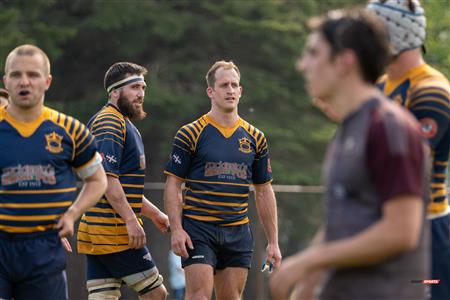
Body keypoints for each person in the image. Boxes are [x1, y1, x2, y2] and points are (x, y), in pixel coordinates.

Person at [270, 8, 430, 300]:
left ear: (345, 61)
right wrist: (305, 287)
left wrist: (309, 260)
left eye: (313, 53)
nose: (302, 64)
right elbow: (339, 224)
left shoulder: (390, 128)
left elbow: (402, 230)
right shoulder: (349, 129)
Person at [164, 60, 282, 300]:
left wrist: (273, 242)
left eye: (234, 85)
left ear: (241, 91)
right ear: (211, 91)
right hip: (198, 228)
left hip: (237, 231)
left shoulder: (256, 138)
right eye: (224, 85)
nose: (230, 90)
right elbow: (173, 184)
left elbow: (263, 191)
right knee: (198, 296)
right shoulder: (190, 133)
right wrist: (176, 229)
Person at [0, 44, 107, 300]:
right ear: (6, 80)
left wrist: (73, 213)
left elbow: (97, 180)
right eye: (16, 75)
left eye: (33, 75)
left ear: (47, 81)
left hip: (45, 249)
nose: (24, 81)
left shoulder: (70, 130)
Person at [367, 1, 450, 299]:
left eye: (372, 31)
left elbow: (405, 167)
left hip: (426, 231)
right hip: (385, 226)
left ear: (394, 35)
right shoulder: (380, 85)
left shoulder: (432, 89)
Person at [77, 62, 170, 300]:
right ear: (115, 92)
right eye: (134, 87)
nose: (141, 94)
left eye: (143, 87)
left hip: (98, 233)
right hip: (114, 233)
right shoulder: (109, 122)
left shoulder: (121, 122)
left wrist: (155, 214)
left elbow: (126, 188)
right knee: (156, 295)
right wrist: (131, 220)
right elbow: (106, 179)